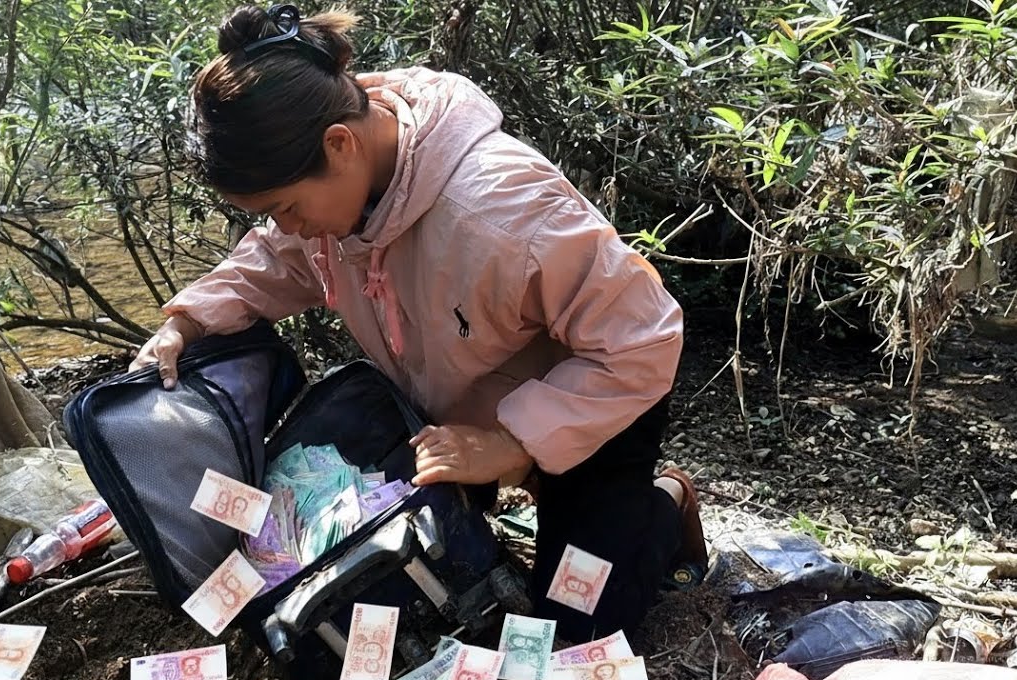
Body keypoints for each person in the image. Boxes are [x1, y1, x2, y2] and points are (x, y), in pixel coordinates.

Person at [130, 2, 706, 641]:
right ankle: (543, 484)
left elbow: (644, 340)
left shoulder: (503, 209)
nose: (286, 227)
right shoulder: (335, 191)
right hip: (460, 402)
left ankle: (661, 501)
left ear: (340, 145)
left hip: (598, 405)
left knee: (577, 624)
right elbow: (273, 258)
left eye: (286, 207)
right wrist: (187, 321)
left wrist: (510, 445)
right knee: (359, 557)